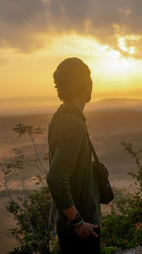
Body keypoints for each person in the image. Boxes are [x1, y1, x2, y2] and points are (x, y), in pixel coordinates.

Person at [46, 57, 101, 254]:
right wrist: (78, 223)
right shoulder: (73, 125)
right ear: (87, 85)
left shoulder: (60, 117)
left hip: (72, 228)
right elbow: (55, 178)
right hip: (82, 230)